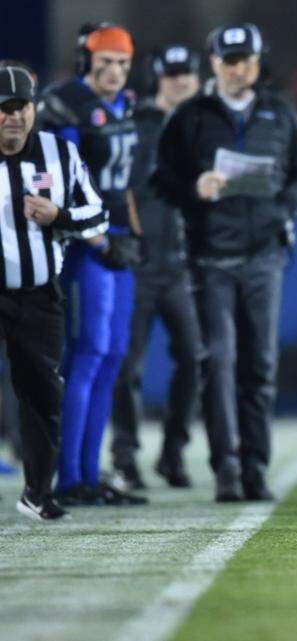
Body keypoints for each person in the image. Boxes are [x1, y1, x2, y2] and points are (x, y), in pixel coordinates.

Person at [153, 23, 297, 502]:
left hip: (264, 256)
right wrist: (193, 189)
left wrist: (283, 209)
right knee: (219, 363)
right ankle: (226, 466)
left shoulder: (280, 114)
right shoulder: (191, 116)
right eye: (230, 59)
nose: (238, 67)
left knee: (260, 366)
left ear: (258, 61)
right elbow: (162, 180)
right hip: (210, 259)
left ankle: (254, 468)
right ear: (213, 62)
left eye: (246, 59)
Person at [38, 22, 146, 506]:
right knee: (87, 355)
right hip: (86, 242)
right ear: (85, 62)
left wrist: (132, 232)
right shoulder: (65, 104)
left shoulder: (123, 103)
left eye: (122, 63)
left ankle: (89, 471)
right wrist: (97, 236)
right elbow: (56, 178)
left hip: (118, 238)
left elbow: (121, 182)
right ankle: (69, 476)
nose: (115, 72)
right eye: (105, 62)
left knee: (111, 358)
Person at [0, 61, 109, 519]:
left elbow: (98, 217)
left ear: (34, 108)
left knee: (43, 393)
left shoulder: (59, 153)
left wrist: (58, 216)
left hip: (38, 293)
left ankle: (38, 492)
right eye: (3, 108)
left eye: (20, 106)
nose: (13, 116)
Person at [110, 44, 204, 491]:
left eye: (186, 73)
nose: (180, 80)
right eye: (173, 74)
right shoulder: (136, 124)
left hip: (183, 265)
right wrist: (130, 239)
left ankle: (171, 452)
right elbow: (118, 186)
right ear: (159, 79)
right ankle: (125, 457)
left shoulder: (206, 125)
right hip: (140, 264)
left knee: (194, 358)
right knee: (128, 365)